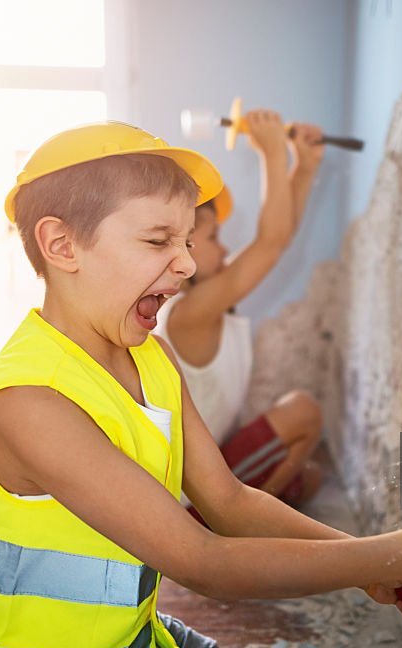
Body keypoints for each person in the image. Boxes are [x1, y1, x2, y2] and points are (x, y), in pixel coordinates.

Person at [0, 121, 402, 648]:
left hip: (130, 643)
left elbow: (229, 502)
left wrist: (370, 568)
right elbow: (204, 563)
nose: (188, 265)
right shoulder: (28, 402)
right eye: (157, 241)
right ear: (62, 245)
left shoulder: (151, 356)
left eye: (188, 241)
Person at [155, 109, 323, 508]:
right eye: (215, 237)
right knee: (303, 411)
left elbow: (278, 239)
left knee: (312, 476)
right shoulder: (188, 312)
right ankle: (236, 524)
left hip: (207, 466)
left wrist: (303, 166)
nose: (227, 249)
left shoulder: (209, 299)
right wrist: (270, 154)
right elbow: (271, 242)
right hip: (191, 494)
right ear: (184, 249)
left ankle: (241, 521)